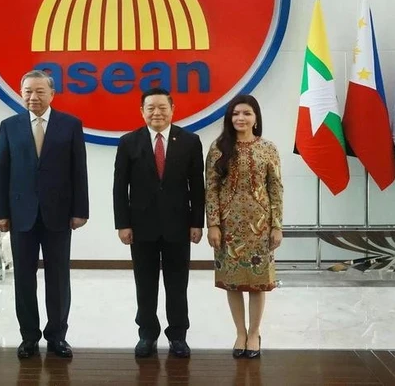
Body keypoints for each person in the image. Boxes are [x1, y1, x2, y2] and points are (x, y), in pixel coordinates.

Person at [0, 70, 89, 359]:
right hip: (21, 215)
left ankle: (57, 336)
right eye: (27, 92)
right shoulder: (9, 126)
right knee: (23, 278)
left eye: (39, 91)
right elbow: (3, 172)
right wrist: (0, 213)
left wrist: (80, 211)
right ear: (21, 93)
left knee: (58, 278)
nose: (33, 97)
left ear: (52, 94)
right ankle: (29, 337)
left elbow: (78, 170)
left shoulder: (70, 125)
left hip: (59, 214)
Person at [113, 87, 205, 359]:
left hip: (179, 225)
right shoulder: (129, 142)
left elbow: (197, 187)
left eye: (162, 107)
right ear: (142, 111)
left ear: (172, 109)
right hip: (141, 227)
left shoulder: (189, 141)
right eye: (150, 108)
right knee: (145, 283)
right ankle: (147, 334)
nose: (157, 112)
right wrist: (123, 224)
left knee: (177, 284)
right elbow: (120, 187)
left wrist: (197, 222)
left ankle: (178, 335)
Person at [205, 94, 283, 359]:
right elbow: (211, 189)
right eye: (236, 113)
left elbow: (276, 188)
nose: (241, 118)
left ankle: (254, 332)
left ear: (256, 118)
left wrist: (277, 225)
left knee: (258, 282)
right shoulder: (218, 148)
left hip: (260, 227)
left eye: (247, 113)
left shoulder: (268, 148)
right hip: (228, 228)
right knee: (233, 283)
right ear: (230, 117)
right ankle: (240, 331)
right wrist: (213, 224)